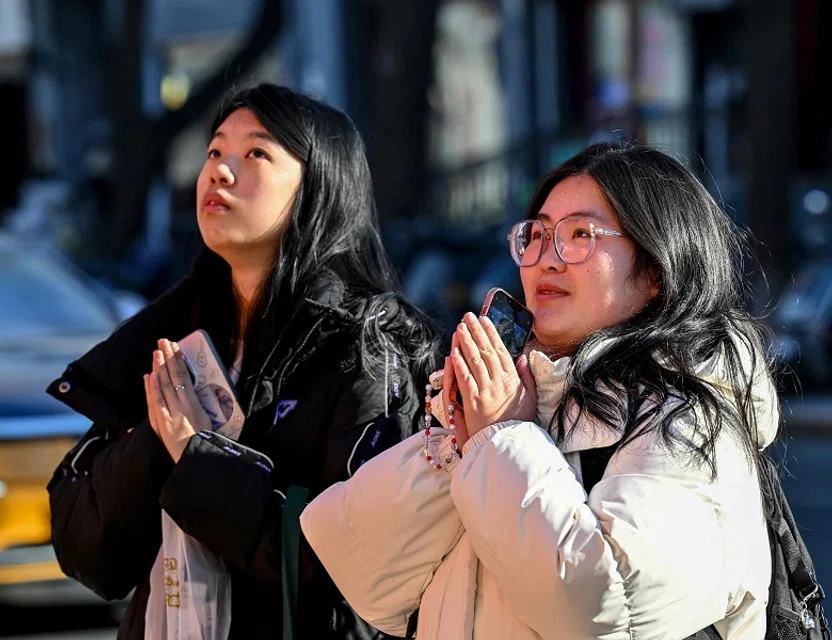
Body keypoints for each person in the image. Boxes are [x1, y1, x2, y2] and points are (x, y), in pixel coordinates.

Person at [301, 142, 778, 639]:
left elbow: (604, 606)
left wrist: (503, 436)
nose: (546, 260)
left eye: (579, 235)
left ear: (657, 268)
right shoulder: (526, 394)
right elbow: (365, 573)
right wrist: (464, 439)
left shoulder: (693, 414)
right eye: (537, 235)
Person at [46, 83, 439, 639]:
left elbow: (353, 565)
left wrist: (196, 456)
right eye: (214, 152)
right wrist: (158, 445)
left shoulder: (363, 351)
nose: (220, 172)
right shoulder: (169, 336)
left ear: (318, 187)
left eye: (255, 153)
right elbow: (86, 552)